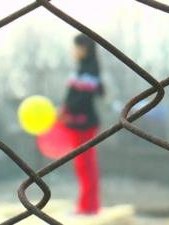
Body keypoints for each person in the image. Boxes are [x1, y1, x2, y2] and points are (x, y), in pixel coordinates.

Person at [60, 34, 104, 215]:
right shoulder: (81, 69)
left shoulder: (90, 70)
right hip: (76, 123)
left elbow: (84, 98)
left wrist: (66, 110)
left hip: (84, 123)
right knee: (82, 165)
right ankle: (86, 205)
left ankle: (89, 206)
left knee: (86, 165)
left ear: (85, 48)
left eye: (76, 47)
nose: (74, 51)